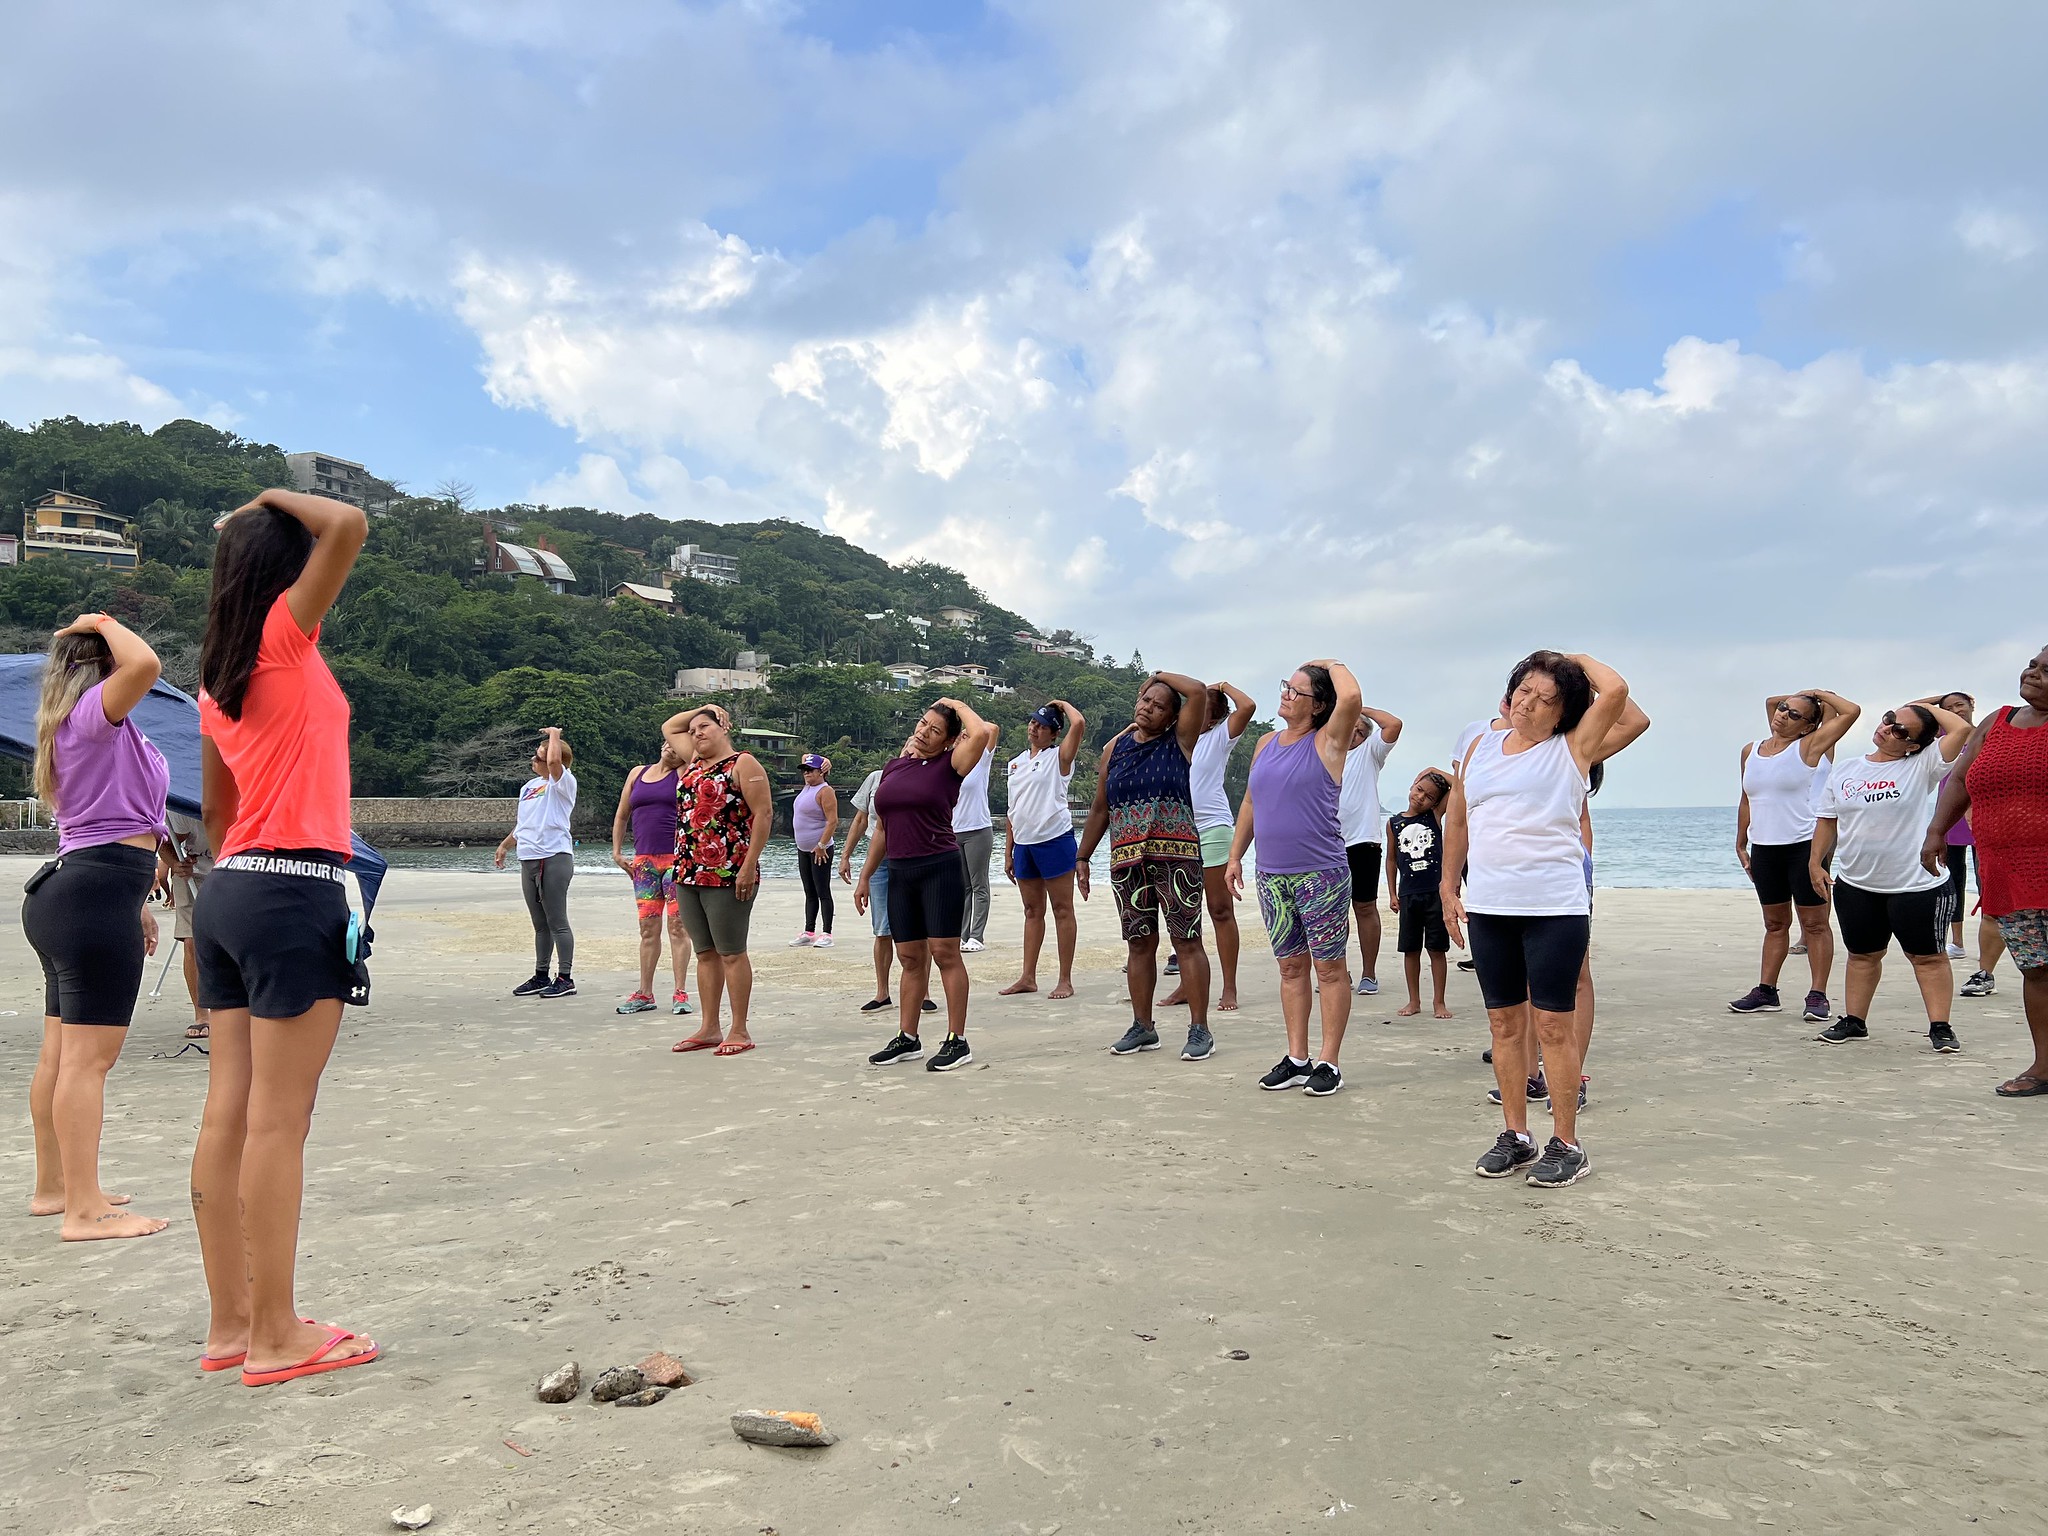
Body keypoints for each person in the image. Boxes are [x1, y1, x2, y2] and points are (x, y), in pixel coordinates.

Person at [190, 485, 380, 1385]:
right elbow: (349, 522)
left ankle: (232, 1322)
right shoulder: (281, 634)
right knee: (278, 1122)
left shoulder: (218, 672)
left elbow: (218, 811)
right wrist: (270, 495)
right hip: (294, 885)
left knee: (229, 1111)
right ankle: (276, 1334)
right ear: (285, 565)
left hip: (228, 890)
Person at [1446, 650, 1630, 1189]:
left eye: (1546, 698)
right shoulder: (1480, 747)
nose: (1529, 702)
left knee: (1553, 1024)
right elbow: (1458, 818)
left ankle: (1567, 1143)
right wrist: (1446, 886)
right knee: (1504, 1023)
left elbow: (1615, 692)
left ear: (1564, 712)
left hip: (1554, 906)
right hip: (1489, 906)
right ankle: (1516, 1134)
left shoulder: (1573, 747)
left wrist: (1567, 659)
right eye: (1524, 689)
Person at [22, 612, 169, 1241]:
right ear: (99, 674)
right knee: (88, 1063)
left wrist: (133, 901)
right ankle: (85, 1210)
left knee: (61, 1055)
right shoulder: (90, 719)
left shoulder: (72, 732)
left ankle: (56, 1188)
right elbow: (145, 665)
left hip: (82, 889)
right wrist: (102, 622)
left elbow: (94, 827)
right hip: (90, 893)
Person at [1227, 661, 1363, 1095]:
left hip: (1321, 874)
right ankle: (1297, 1056)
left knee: (1329, 969)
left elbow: (1353, 699)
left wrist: (1331, 664)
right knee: (1290, 967)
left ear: (1319, 704)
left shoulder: (1329, 740)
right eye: (1286, 686)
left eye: (1297, 691)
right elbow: (1251, 801)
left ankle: (1330, 1062)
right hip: (1271, 875)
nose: (1285, 694)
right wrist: (1235, 856)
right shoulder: (1266, 742)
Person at [1807, 698, 1971, 1049]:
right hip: (1857, 883)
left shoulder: (1922, 764)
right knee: (1862, 955)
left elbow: (1961, 729)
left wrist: (1922, 704)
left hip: (1916, 884)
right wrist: (1815, 862)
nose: (1886, 728)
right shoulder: (1847, 769)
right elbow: (1827, 820)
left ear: (1913, 745)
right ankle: (1854, 1021)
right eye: (1888, 719)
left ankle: (1940, 1027)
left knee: (1927, 958)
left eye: (1900, 729)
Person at [1922, 647, 2048, 1094]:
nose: (2032, 674)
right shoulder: (1999, 720)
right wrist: (1937, 831)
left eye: (2046, 671)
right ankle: (2043, 1067)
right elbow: (1958, 779)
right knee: (2037, 969)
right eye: (2033, 664)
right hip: (2008, 870)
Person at [1077, 671, 1213, 1062]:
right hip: (1126, 857)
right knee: (1138, 942)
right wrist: (1083, 857)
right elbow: (1101, 807)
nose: (1147, 708)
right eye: (1144, 700)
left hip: (1177, 856)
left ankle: (1200, 1028)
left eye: (1157, 705)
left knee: (1186, 939)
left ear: (1173, 717)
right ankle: (1143, 1027)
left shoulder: (1180, 741)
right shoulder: (1115, 748)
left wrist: (1157, 675)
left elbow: (1198, 691)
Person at [857, 697, 1000, 1070]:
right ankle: (908, 1037)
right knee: (909, 958)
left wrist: (956, 702)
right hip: (900, 872)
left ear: (949, 741)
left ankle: (957, 1041)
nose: (924, 732)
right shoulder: (893, 767)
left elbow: (982, 732)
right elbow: (883, 829)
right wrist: (865, 874)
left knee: (945, 953)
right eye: (923, 724)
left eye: (935, 730)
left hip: (939, 867)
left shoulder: (951, 766)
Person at [1730, 690, 1861, 1021]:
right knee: (1774, 923)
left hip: (1803, 845)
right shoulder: (1751, 751)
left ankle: (1818, 995)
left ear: (1808, 727)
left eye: (1794, 714)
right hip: (1765, 848)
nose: (1782, 714)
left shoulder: (1808, 747)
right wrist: (1741, 841)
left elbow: (1851, 712)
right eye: (1783, 709)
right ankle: (1766, 991)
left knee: (1814, 924)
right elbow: (1747, 798)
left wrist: (1818, 694)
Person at [662, 705, 773, 1055]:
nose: (696, 732)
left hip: (729, 872)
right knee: (705, 953)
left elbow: (764, 814)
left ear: (724, 727)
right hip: (688, 870)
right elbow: (669, 726)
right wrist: (702, 709)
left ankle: (738, 1030)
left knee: (731, 951)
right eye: (693, 729)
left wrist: (748, 866)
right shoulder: (694, 761)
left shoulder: (743, 763)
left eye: (705, 726)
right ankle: (710, 1027)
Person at [1165, 683, 1256, 1012]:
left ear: (1215, 716)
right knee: (1183, 914)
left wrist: (1222, 686)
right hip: (1178, 832)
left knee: (1220, 910)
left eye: (1203, 707)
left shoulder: (1219, 738)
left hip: (1214, 829)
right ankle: (1187, 986)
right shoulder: (1173, 739)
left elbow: (1247, 706)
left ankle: (1229, 988)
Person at [839, 751, 940, 1018]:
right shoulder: (875, 779)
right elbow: (861, 820)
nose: (910, 753)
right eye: (906, 749)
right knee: (882, 928)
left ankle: (924, 992)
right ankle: (882, 993)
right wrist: (846, 855)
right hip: (879, 861)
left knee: (921, 929)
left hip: (911, 855)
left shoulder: (924, 779)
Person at [1001, 701, 1087, 998]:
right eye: (1033, 723)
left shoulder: (1058, 758)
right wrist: (1008, 850)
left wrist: (1062, 704)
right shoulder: (1015, 763)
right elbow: (1013, 810)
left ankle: (1065, 978)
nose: (1034, 728)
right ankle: (1028, 976)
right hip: (1024, 843)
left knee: (1062, 909)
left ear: (1054, 733)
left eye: (1041, 725)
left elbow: (1078, 725)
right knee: (1031, 910)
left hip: (1054, 839)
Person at [609, 739, 694, 1016]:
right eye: (667, 743)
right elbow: (622, 815)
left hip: (676, 860)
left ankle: (680, 991)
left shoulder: (684, 773)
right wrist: (617, 852)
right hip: (644, 863)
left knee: (678, 927)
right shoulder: (637, 773)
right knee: (647, 929)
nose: (672, 748)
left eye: (677, 745)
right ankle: (645, 992)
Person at [494, 729, 577, 998]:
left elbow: (555, 763)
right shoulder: (529, 787)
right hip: (528, 857)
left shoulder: (563, 783)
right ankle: (541, 974)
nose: (534, 759)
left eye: (538, 756)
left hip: (554, 857)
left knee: (557, 921)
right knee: (540, 924)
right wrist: (505, 845)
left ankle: (565, 977)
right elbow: (524, 825)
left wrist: (554, 735)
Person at [1339, 704, 1403, 997]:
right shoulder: (1326, 752)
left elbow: (1394, 724)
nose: (1350, 732)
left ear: (1365, 735)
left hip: (1363, 839)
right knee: (1332, 910)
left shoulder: (1370, 753)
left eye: (1357, 729)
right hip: (1328, 842)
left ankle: (1369, 973)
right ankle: (1338, 971)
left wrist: (1356, 707)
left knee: (1364, 906)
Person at [1387, 769, 1454, 1020]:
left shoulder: (1434, 817)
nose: (1421, 797)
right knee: (1410, 949)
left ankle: (1439, 1001)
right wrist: (1392, 893)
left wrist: (1434, 771)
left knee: (1437, 949)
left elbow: (1458, 786)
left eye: (1428, 796)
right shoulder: (1393, 823)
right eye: (1419, 789)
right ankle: (1414, 1000)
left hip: (1434, 894)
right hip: (1408, 895)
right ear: (1412, 786)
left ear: (1436, 803)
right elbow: (1392, 859)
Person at [163, 808, 214, 1040]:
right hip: (192, 875)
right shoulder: (184, 807)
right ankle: (201, 1015)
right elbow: (164, 842)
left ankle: (241, 1007)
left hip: (235, 872)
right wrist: (175, 863)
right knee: (191, 943)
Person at [1935, 691, 1978, 960]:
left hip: (1981, 814)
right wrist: (1943, 699)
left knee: (1986, 880)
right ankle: (1957, 942)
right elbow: (1912, 707)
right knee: (1953, 880)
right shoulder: (1945, 736)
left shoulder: (1985, 733)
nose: (1956, 711)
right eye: (1948, 708)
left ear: (1972, 704)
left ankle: (1993, 938)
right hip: (1950, 815)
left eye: (1960, 705)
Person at [953, 728, 999, 952]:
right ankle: (961, 935)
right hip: (953, 832)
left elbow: (992, 729)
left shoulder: (981, 762)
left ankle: (977, 936)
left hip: (978, 830)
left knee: (978, 884)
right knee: (962, 886)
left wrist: (968, 731)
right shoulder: (951, 766)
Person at [790, 753, 839, 949]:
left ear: (822, 772)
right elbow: (805, 756)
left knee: (822, 891)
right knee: (809, 892)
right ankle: (809, 931)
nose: (806, 773)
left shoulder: (824, 791)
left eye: (811, 770)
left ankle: (827, 932)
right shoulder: (807, 787)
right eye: (804, 770)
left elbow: (832, 821)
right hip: (803, 849)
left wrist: (821, 845)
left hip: (820, 849)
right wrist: (825, 758)